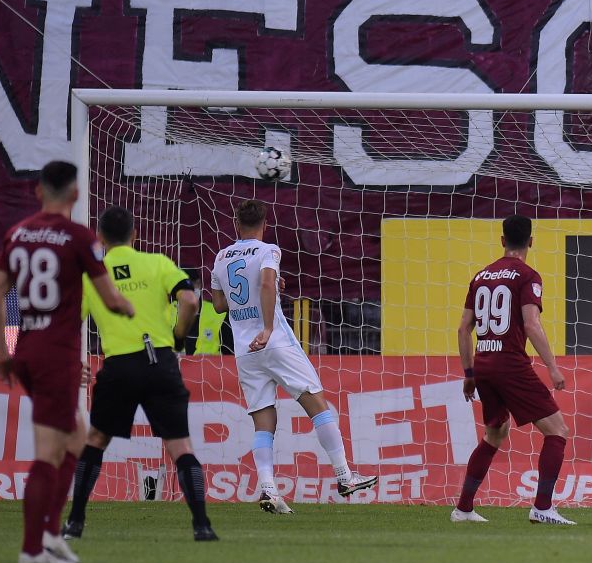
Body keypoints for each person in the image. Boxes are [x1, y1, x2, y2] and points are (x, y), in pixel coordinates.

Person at [0, 161, 134, 563]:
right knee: (49, 451)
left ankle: (50, 536)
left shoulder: (16, 234)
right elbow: (108, 298)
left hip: (29, 349)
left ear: (37, 192)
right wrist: (126, 306)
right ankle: (35, 547)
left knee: (77, 439)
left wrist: (2, 352)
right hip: (57, 354)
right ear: (75, 195)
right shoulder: (78, 237)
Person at [210, 199, 377, 513]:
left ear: (236, 225)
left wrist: (261, 290)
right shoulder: (268, 250)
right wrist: (269, 326)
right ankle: (344, 475)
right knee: (317, 404)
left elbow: (219, 305)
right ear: (265, 224)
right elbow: (267, 282)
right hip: (275, 342)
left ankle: (269, 490)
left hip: (245, 350)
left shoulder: (221, 256)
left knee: (263, 422)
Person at [62, 205, 218, 542]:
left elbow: (67, 325)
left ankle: (75, 522)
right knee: (180, 446)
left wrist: (74, 362)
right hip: (160, 362)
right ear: (135, 235)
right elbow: (190, 300)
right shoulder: (158, 263)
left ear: (100, 238)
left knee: (96, 441)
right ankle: (202, 525)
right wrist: (177, 337)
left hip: (119, 366)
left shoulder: (93, 274)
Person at [453, 214, 573, 525]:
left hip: (484, 363)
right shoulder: (528, 276)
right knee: (557, 430)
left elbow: (464, 328)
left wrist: (469, 374)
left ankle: (463, 508)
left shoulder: (481, 276)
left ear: (503, 240)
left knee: (495, 433)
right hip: (510, 363)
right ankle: (543, 508)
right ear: (531, 241)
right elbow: (532, 324)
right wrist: (553, 368)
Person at [182, 267, 231, 355]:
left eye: (188, 285)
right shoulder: (169, 311)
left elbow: (229, 349)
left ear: (199, 284)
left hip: (211, 366)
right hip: (173, 365)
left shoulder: (217, 311)